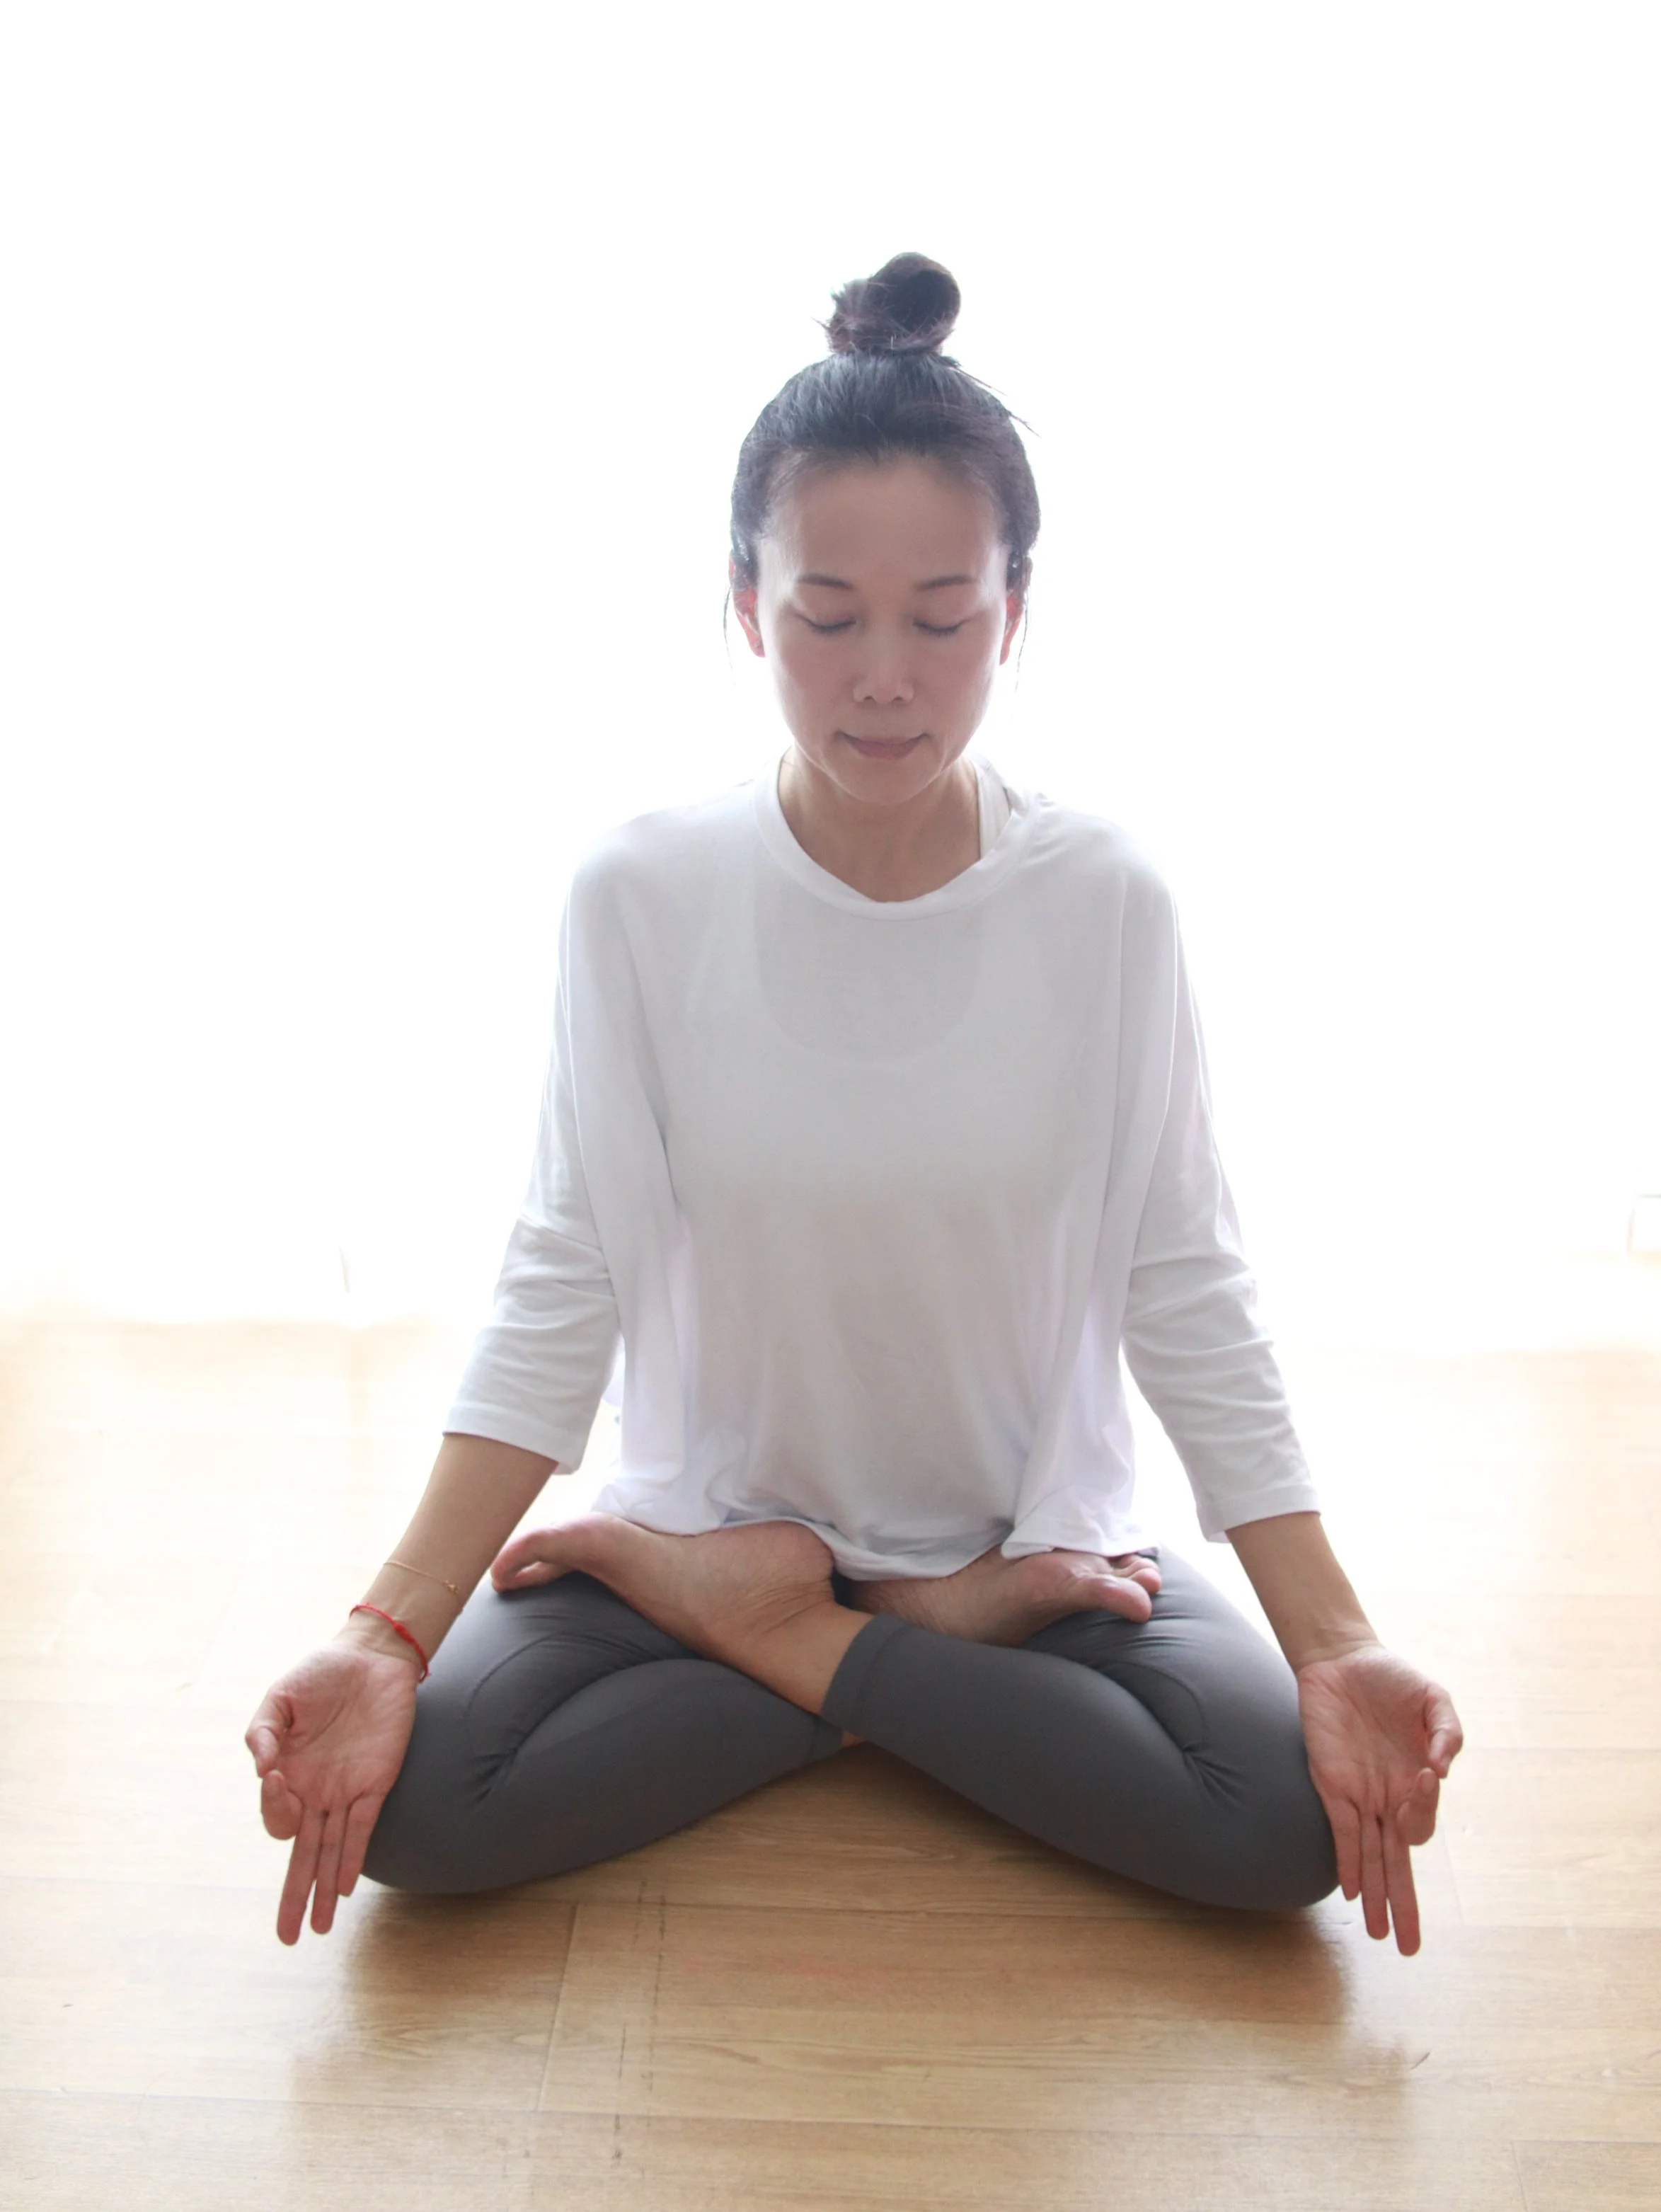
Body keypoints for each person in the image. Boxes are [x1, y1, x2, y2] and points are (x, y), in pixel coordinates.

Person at [246, 251, 1462, 1959]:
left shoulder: (1106, 900)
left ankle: (844, 1623)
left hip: (1031, 1556)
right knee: (423, 1800)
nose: (883, 674)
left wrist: (1333, 1641)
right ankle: (888, 1634)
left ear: (1014, 612)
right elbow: (562, 1271)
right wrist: (383, 1634)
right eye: (826, 616)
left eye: (941, 616)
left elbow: (1182, 1279)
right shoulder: (639, 895)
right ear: (744, 607)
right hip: (699, 1522)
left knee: (1278, 1816)